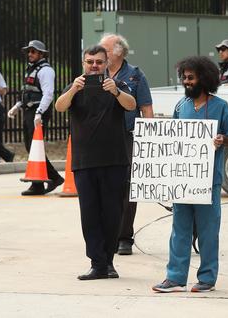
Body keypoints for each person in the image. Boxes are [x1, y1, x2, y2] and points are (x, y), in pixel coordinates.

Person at [152, 56, 228, 293]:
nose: (187, 82)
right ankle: (175, 277)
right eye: (184, 78)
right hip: (183, 180)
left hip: (209, 180)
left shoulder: (220, 106)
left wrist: (222, 139)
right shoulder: (181, 106)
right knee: (179, 229)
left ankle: (207, 278)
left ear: (204, 78)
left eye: (191, 77)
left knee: (208, 231)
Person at [55, 45, 136, 280]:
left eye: (99, 62)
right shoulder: (75, 86)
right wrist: (72, 91)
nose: (94, 66)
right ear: (84, 63)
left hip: (114, 160)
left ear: (106, 63)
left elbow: (131, 104)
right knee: (89, 213)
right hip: (84, 161)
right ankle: (97, 263)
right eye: (90, 61)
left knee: (112, 212)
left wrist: (116, 93)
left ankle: (108, 262)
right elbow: (60, 106)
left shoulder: (116, 85)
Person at [99, 33, 154, 256]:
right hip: (102, 139)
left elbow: (147, 109)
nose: (101, 53)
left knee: (128, 188)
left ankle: (124, 236)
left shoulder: (135, 76)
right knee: (104, 187)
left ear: (119, 52)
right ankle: (107, 234)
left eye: (106, 50)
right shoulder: (96, 74)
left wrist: (149, 141)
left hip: (129, 137)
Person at [8, 40, 64, 195]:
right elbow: (29, 92)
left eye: (33, 51)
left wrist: (39, 112)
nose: (30, 54)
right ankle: (48, 180)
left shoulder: (46, 71)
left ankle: (42, 183)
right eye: (29, 51)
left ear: (41, 54)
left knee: (34, 147)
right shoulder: (31, 69)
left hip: (38, 112)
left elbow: (48, 94)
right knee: (31, 147)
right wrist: (17, 106)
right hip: (29, 111)